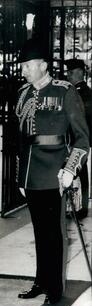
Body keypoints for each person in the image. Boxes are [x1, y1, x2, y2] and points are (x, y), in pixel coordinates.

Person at [15, 39, 90, 304]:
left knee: (55, 234)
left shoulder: (65, 91)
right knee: (38, 231)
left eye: (27, 65)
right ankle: (41, 280)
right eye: (22, 65)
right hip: (32, 175)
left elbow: (82, 138)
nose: (22, 69)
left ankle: (55, 288)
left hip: (56, 174)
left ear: (43, 66)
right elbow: (23, 141)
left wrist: (71, 170)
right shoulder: (24, 94)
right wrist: (21, 176)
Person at [65, 58, 92, 219]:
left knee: (78, 171)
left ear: (80, 72)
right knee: (80, 172)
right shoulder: (84, 92)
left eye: (71, 72)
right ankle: (79, 206)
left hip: (77, 139)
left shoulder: (79, 93)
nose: (68, 75)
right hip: (79, 138)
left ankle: (79, 207)